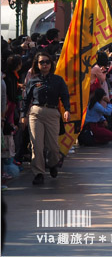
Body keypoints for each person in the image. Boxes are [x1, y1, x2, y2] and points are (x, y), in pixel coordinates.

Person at [19, 51, 70, 185]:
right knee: (37, 145)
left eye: (47, 62)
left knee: (53, 147)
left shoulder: (58, 80)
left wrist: (67, 110)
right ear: (37, 64)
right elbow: (26, 99)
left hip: (52, 113)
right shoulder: (33, 81)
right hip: (36, 113)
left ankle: (53, 164)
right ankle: (39, 173)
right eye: (42, 62)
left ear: (51, 64)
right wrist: (23, 115)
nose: (45, 64)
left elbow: (65, 95)